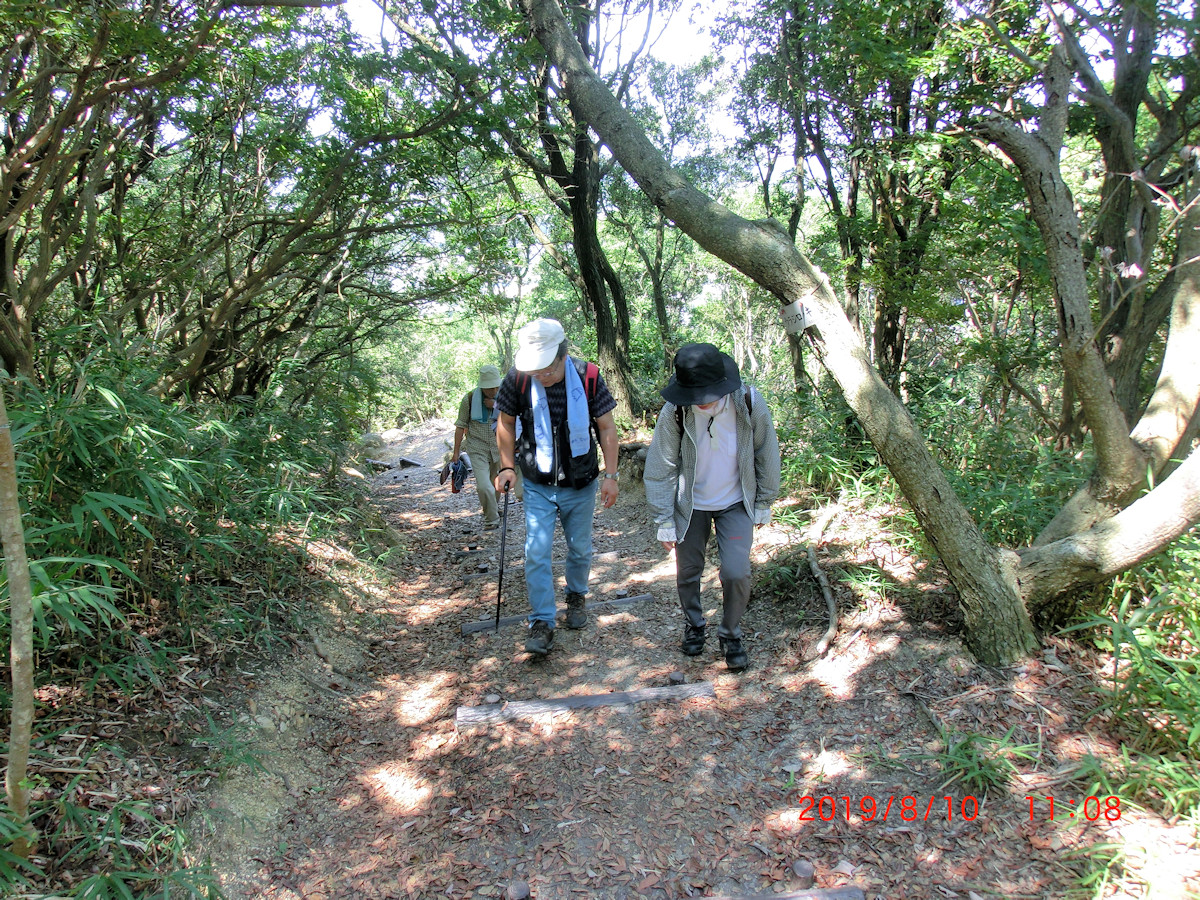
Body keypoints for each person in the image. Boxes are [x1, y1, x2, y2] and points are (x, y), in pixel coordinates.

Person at [644, 343, 780, 671]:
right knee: (688, 572)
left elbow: (766, 450)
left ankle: (730, 633)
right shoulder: (675, 411)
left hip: (736, 501)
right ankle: (694, 624)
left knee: (736, 572)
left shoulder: (748, 402)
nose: (700, 399)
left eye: (705, 392)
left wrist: (765, 499)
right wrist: (663, 518)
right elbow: (661, 465)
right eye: (693, 393)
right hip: (691, 505)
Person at [494, 318, 620, 656]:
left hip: (581, 480)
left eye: (547, 369)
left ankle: (576, 596)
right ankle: (542, 621)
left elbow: (606, 427)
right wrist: (507, 466)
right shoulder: (518, 378)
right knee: (536, 551)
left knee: (580, 548)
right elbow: (505, 423)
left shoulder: (588, 376)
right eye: (535, 371)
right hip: (537, 480)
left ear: (563, 355)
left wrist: (611, 475)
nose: (541, 376)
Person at [451, 364, 522, 529]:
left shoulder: (506, 396)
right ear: (482, 386)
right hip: (477, 447)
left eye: (496, 387)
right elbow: (460, 425)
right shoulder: (469, 399)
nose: (494, 390)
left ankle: (493, 508)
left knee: (495, 482)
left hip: (499, 447)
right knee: (484, 486)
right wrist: (456, 452)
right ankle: (491, 519)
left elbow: (516, 415)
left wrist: (495, 405)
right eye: (489, 388)